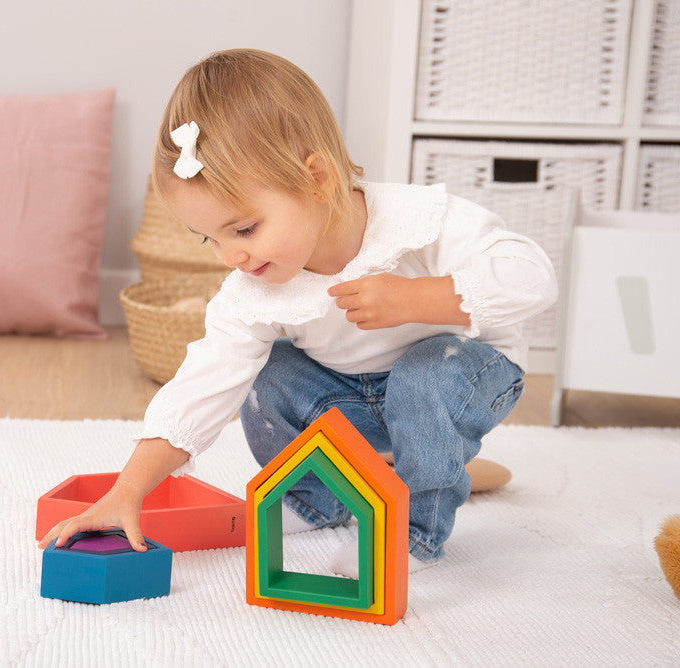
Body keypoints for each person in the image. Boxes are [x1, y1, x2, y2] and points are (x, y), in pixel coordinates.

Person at [39, 48, 558, 573]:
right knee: (270, 372)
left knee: (425, 374)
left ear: (316, 177)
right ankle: (320, 497)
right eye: (209, 239)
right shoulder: (254, 288)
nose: (232, 256)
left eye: (243, 229)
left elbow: (534, 278)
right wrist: (129, 491)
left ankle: (411, 533)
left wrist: (418, 298)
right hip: (354, 394)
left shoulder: (418, 222)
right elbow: (201, 385)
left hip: (464, 377)